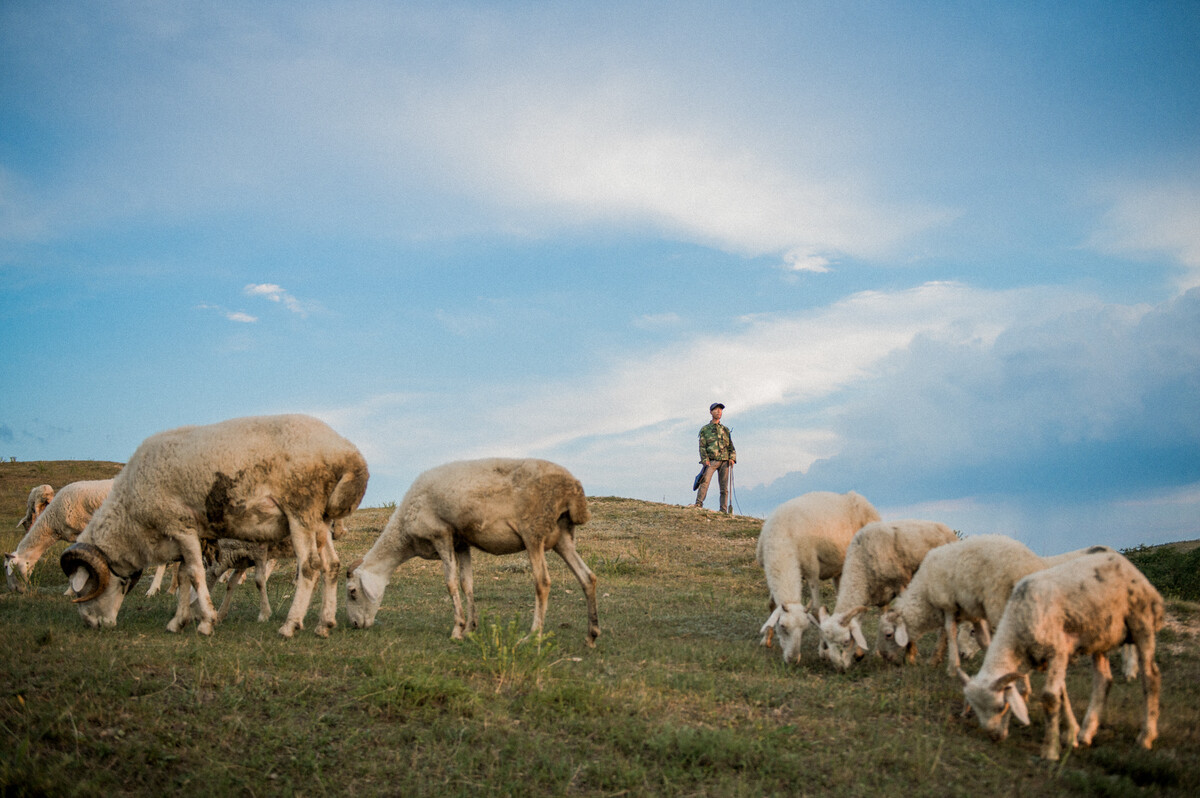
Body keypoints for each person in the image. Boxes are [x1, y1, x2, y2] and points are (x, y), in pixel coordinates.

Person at [694, 402, 736, 514]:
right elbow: (702, 446)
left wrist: (732, 458)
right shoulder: (705, 429)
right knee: (704, 482)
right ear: (711, 412)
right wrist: (705, 460)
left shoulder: (725, 430)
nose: (719, 412)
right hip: (711, 461)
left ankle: (723, 510)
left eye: (720, 410)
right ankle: (698, 504)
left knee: (724, 488)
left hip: (725, 461)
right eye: (716, 409)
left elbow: (731, 446)